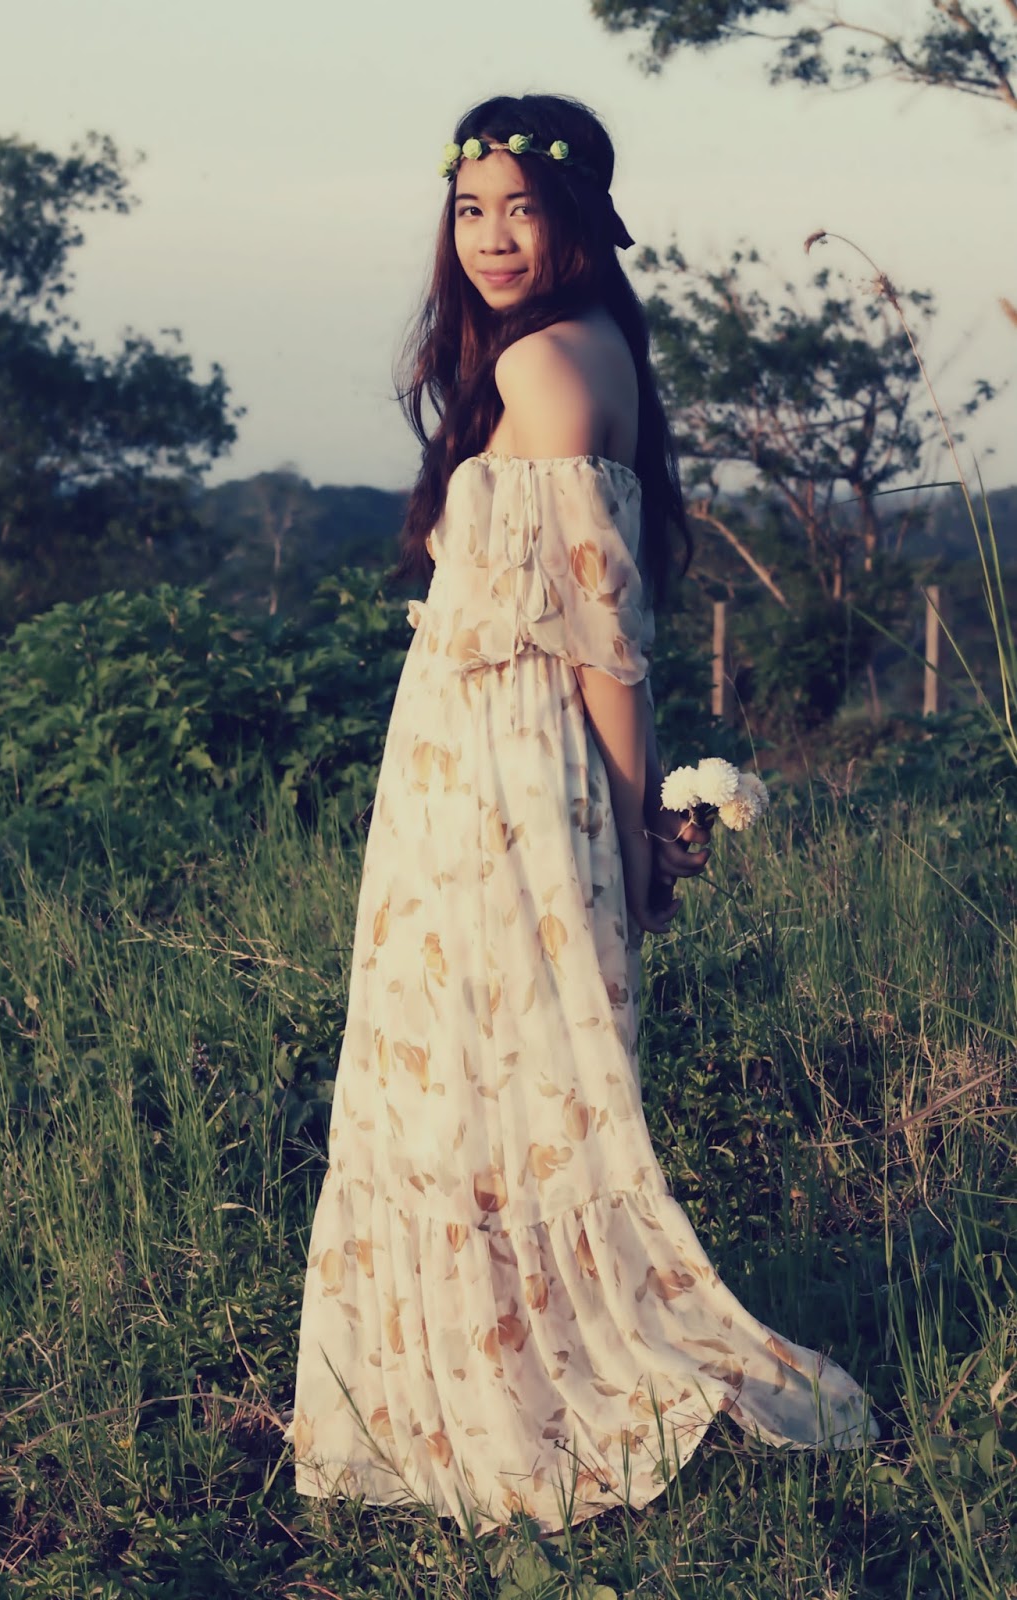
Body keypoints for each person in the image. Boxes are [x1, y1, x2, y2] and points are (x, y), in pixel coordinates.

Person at [286, 92, 878, 1536]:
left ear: (580, 216)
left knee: (478, 1081)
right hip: (483, 767)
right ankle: (486, 1363)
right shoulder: (588, 347)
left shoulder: (547, 365)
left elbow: (610, 650)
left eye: (522, 208)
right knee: (499, 1077)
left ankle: (509, 1395)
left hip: (497, 785)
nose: (492, 237)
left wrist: (628, 836)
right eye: (470, 209)